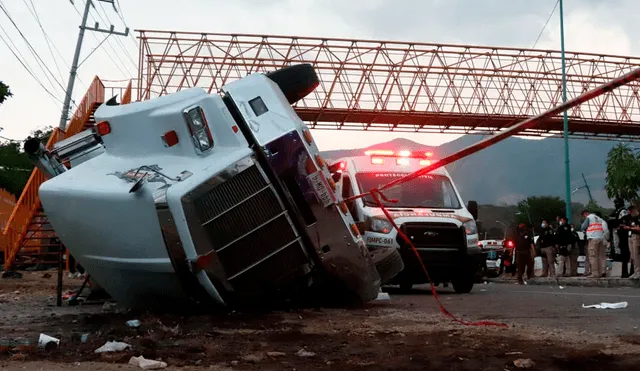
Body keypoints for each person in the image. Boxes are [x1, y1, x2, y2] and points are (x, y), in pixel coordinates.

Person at [581, 210, 610, 278]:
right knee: (600, 256)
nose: (584, 217)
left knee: (593, 256)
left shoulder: (589, 217)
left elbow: (583, 227)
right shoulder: (599, 218)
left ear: (585, 214)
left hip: (593, 238)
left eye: (584, 216)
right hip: (600, 239)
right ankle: (601, 272)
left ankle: (595, 273)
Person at [622, 206, 640, 279]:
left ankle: (638, 272)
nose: (629, 213)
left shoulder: (638, 218)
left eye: (629, 211)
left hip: (636, 237)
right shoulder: (631, 218)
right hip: (630, 237)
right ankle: (635, 272)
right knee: (632, 256)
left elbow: (638, 228)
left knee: (636, 256)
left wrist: (629, 228)